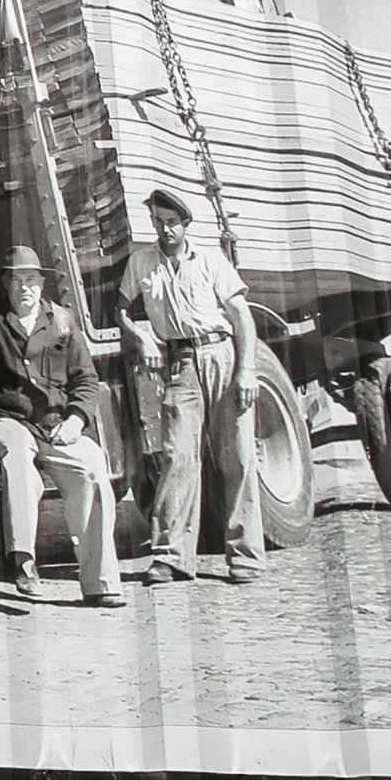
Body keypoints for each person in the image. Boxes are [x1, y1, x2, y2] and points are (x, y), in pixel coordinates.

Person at [0, 245, 126, 607]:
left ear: (42, 284)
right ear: (6, 284)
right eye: (16, 280)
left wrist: (76, 419)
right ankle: (23, 561)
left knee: (92, 466)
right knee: (17, 456)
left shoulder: (63, 322)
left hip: (55, 424)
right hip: (10, 420)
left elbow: (86, 380)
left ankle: (101, 582)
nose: (24, 288)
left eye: (31, 280)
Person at [120, 184, 263, 585]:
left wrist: (246, 370)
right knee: (177, 456)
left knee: (237, 457)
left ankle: (245, 556)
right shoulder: (140, 263)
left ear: (185, 224)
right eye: (158, 222)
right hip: (180, 364)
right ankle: (171, 556)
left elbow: (242, 318)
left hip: (221, 356)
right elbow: (121, 311)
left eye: (172, 223)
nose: (165, 230)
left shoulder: (210, 259)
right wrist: (144, 337)